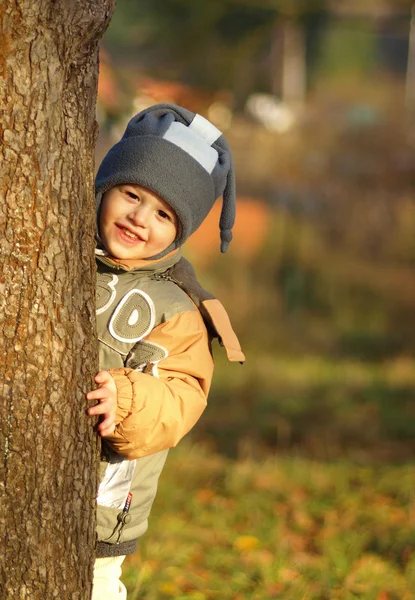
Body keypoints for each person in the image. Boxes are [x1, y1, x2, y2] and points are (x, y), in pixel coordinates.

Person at [86, 103, 245, 600]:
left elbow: (181, 395)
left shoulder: (177, 307)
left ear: (182, 229)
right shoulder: (58, 255)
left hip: (99, 505)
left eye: (162, 213)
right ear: (104, 188)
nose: (139, 217)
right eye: (130, 193)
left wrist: (128, 399)